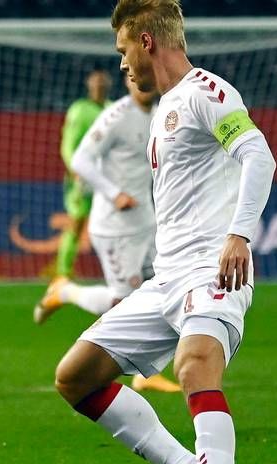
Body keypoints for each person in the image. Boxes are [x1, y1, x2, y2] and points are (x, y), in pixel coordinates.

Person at [53, 1, 275, 464]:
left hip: (212, 271)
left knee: (194, 364)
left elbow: (258, 154)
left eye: (123, 50)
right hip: (166, 278)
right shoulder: (163, 109)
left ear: (147, 42)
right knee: (75, 377)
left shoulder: (204, 91)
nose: (123, 63)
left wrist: (238, 235)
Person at [36, 76, 181, 394]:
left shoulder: (162, 113)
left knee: (170, 292)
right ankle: (65, 291)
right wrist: (114, 193)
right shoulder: (115, 116)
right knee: (122, 301)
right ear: (127, 83)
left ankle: (145, 374)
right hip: (114, 227)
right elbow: (81, 160)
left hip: (146, 222)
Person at [46, 68, 111, 283]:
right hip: (82, 177)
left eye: (103, 81)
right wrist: (75, 169)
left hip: (107, 178)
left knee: (112, 223)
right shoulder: (79, 110)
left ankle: (114, 271)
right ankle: (63, 272)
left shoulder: (114, 109)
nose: (100, 84)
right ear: (89, 84)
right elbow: (68, 143)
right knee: (77, 223)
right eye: (96, 81)